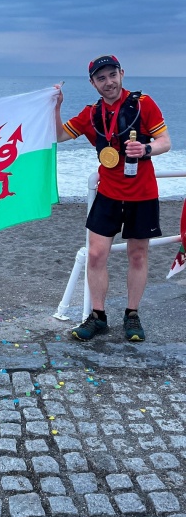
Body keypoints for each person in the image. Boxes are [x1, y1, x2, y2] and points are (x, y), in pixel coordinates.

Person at [55, 54, 171, 342]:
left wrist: (145, 150)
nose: (108, 82)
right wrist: (55, 106)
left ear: (122, 73)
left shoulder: (144, 104)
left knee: (137, 254)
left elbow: (165, 142)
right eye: (101, 78)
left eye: (112, 75)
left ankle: (132, 315)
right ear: (93, 83)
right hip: (107, 193)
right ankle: (98, 316)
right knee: (95, 255)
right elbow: (58, 136)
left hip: (142, 193)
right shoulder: (90, 114)